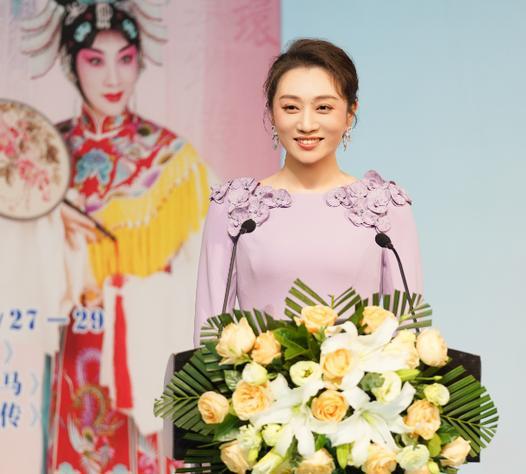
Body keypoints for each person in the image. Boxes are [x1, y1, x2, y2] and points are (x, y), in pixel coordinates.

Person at [22, 1, 209, 472]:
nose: (112, 77)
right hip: (72, 345)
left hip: (147, 347)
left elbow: (199, 273)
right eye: (95, 60)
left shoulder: (171, 160)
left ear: (139, 62)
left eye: (125, 59)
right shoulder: (44, 156)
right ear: (72, 65)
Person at [194, 38, 423, 344]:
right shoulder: (234, 208)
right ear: (271, 113)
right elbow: (208, 338)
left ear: (350, 113)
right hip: (253, 376)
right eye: (291, 107)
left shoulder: (385, 208)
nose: (306, 124)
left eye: (323, 107)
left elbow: (408, 336)